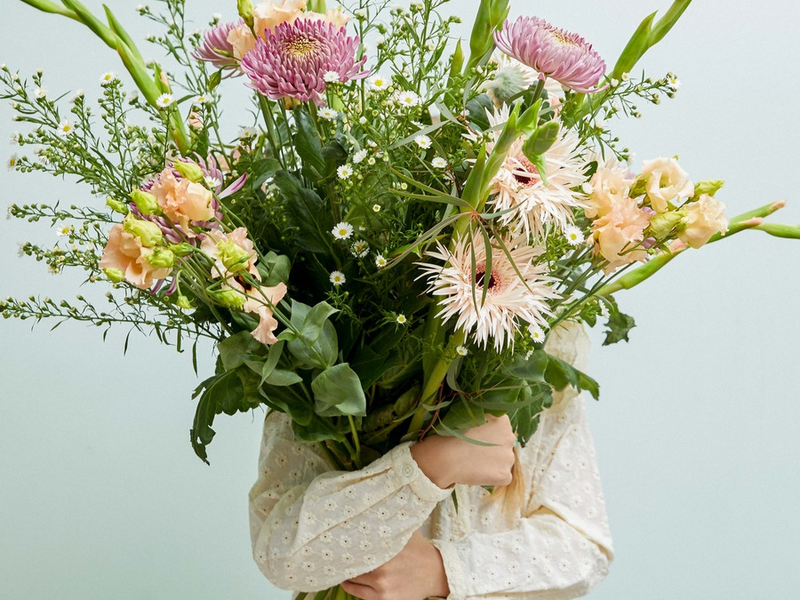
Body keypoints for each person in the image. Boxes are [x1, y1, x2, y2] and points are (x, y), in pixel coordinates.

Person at [249, 322, 613, 600]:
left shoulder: (541, 360)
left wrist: (444, 570)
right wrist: (430, 467)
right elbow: (282, 555)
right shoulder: (328, 349)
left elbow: (582, 547)